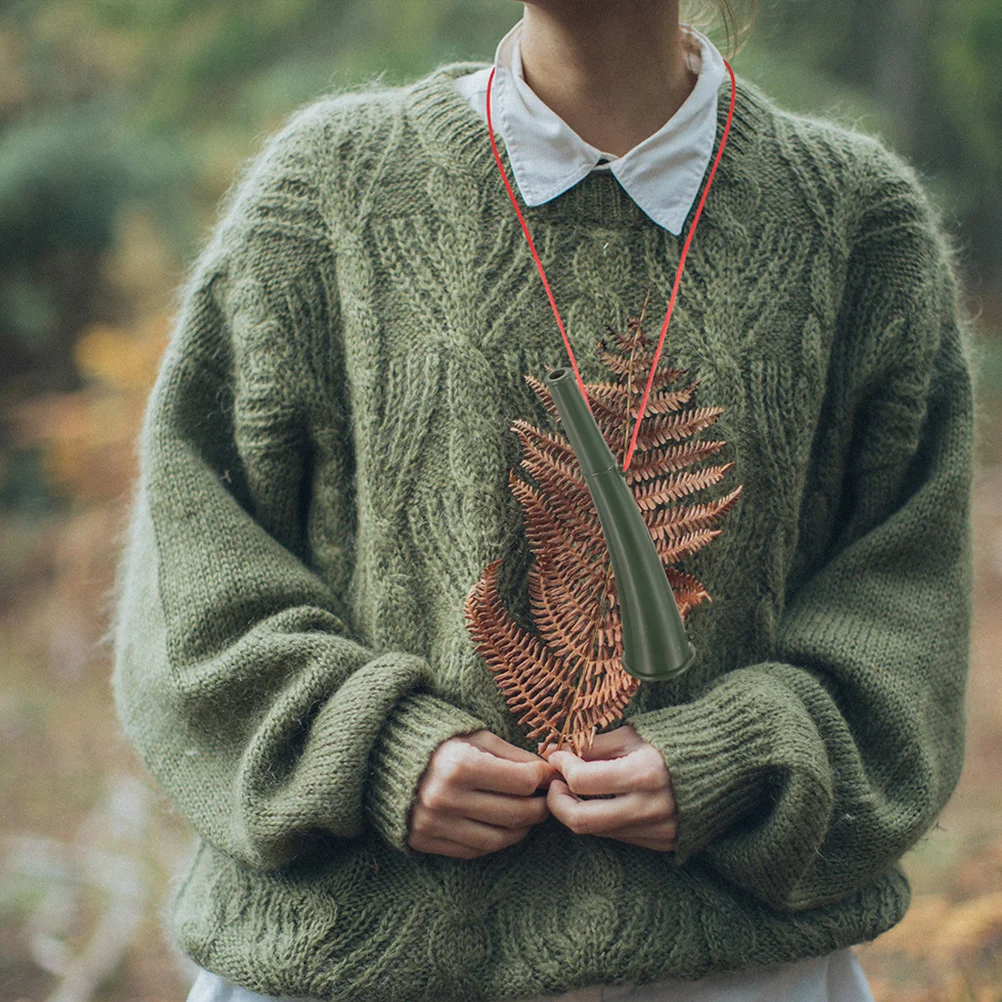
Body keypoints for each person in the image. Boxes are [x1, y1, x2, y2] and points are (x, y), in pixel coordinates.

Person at [109, 0, 978, 1000]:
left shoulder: (854, 224)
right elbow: (192, 581)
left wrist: (742, 755)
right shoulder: (328, 194)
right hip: (346, 967)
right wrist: (369, 744)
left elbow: (903, 617)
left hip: (730, 973)